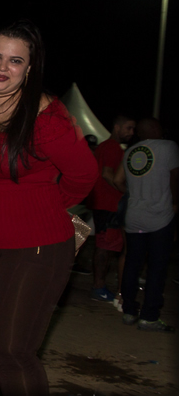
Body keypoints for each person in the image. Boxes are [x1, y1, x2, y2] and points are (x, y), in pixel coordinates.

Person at [0, 19, 98, 395]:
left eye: (15, 61)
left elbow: (84, 175)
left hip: (34, 247)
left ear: (30, 68)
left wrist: (44, 207)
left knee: (10, 350)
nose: (3, 67)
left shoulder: (47, 116)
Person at [114, 118, 178, 332]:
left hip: (134, 215)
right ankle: (149, 316)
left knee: (133, 263)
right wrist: (176, 203)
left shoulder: (130, 151)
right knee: (157, 267)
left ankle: (129, 311)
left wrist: (136, 196)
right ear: (157, 129)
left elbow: (118, 180)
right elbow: (175, 176)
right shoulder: (169, 147)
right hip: (160, 216)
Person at [86, 115, 135, 304]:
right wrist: (126, 191)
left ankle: (99, 286)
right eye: (128, 128)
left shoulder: (104, 146)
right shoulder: (113, 147)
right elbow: (108, 174)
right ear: (117, 127)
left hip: (101, 203)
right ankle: (98, 287)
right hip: (108, 204)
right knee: (105, 246)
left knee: (104, 245)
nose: (131, 132)